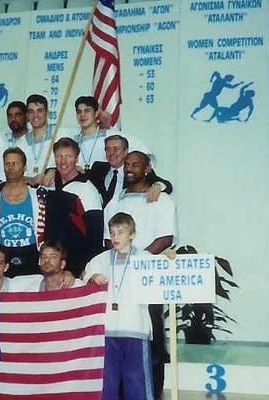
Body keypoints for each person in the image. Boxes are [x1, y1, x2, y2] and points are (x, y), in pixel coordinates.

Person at [103, 151, 177, 399]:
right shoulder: (116, 202)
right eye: (127, 164)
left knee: (151, 347)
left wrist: (137, 260)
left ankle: (152, 394)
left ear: (147, 168)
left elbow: (166, 238)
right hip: (118, 285)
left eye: (136, 164)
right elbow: (108, 241)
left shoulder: (161, 199)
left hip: (147, 282)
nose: (130, 168)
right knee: (116, 350)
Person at [83, 212, 153, 400]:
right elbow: (85, 274)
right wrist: (91, 277)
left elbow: (164, 271)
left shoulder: (145, 258)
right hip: (108, 329)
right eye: (112, 233)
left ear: (132, 234)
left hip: (135, 328)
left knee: (136, 381)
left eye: (121, 232)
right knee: (107, 382)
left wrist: (170, 257)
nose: (115, 237)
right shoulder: (102, 259)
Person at [44, 138, 103, 278]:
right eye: (59, 156)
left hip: (77, 266)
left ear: (76, 159)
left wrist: (86, 268)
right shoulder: (50, 185)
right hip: (52, 265)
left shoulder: (87, 189)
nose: (63, 161)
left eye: (68, 156)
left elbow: (95, 235)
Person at [0, 147, 47, 277]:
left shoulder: (38, 195)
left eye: (15, 163)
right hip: (2, 255)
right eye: (7, 164)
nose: (11, 167)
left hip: (32, 253)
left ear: (24, 167)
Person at [88, 134, 173, 208]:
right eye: (108, 149)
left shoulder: (136, 172)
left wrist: (157, 186)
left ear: (125, 152)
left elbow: (167, 186)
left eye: (116, 149)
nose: (111, 153)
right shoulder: (98, 168)